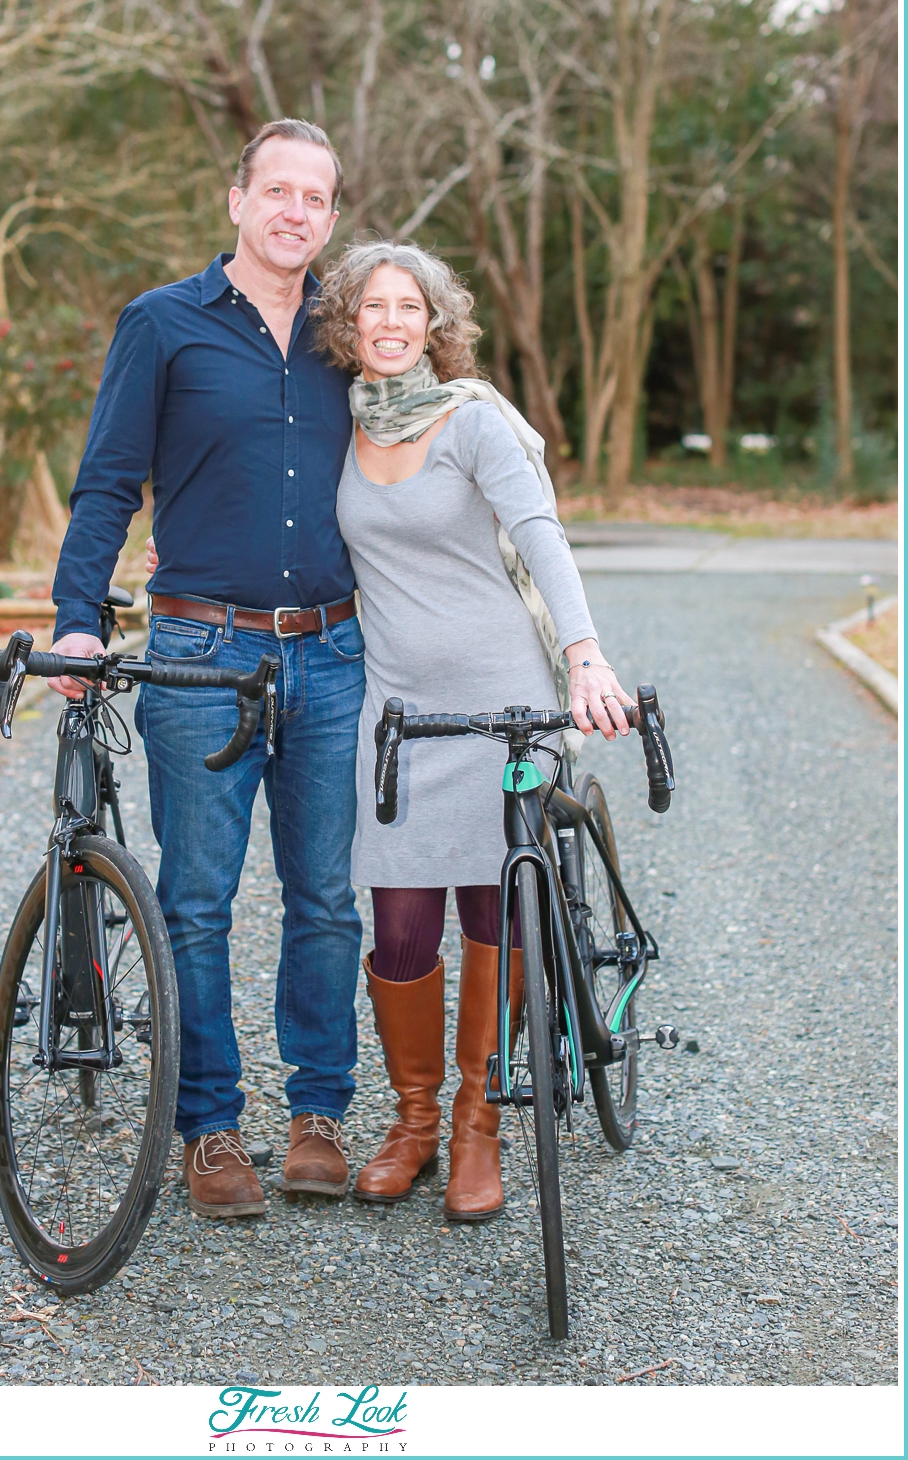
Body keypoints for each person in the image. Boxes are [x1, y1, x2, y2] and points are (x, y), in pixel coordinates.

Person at [48, 119, 366, 1220]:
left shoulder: (348, 332)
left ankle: (321, 1111)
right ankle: (210, 1127)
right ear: (236, 200)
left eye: (314, 198)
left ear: (331, 216)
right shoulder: (163, 324)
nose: (294, 212)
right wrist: (78, 620)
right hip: (200, 651)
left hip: (332, 646)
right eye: (275, 190)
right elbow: (107, 484)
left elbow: (432, 443)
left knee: (326, 897)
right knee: (196, 900)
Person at [312, 240, 630, 1222]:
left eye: (411, 307)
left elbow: (540, 532)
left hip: (503, 705)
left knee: (497, 913)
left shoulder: (475, 419)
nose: (394, 322)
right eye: (375, 307)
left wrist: (584, 656)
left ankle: (479, 1119)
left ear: (435, 324)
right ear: (349, 325)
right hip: (400, 715)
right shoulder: (337, 426)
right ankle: (413, 1120)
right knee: (400, 929)